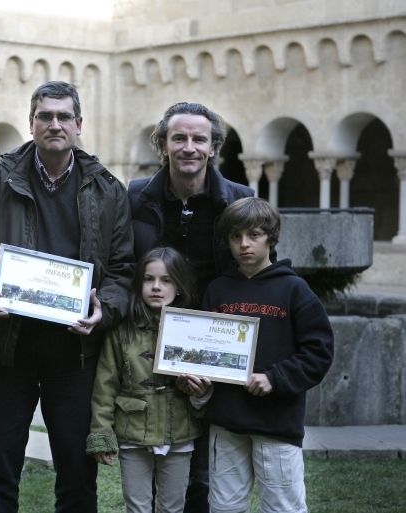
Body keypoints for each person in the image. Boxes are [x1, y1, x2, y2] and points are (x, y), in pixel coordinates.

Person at [0, 80, 134, 513]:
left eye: (63, 116)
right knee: (0, 469)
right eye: (45, 116)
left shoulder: (107, 190)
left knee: (77, 473)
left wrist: (104, 310)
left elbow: (122, 269)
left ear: (79, 124)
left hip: (75, 353)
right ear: (31, 122)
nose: (54, 124)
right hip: (9, 349)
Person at [127, 102, 254, 513]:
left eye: (199, 139)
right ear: (163, 145)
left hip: (211, 340)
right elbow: (122, 262)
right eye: (178, 138)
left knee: (202, 465)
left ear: (213, 147)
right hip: (148, 341)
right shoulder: (135, 196)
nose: (189, 147)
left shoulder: (239, 200)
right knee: (151, 457)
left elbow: (253, 270)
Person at [178, 197, 334, 513]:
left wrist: (275, 378)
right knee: (224, 507)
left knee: (282, 507)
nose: (244, 244)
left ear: (271, 238)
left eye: (254, 235)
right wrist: (198, 381)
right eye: (235, 236)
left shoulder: (294, 289)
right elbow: (204, 350)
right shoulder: (217, 290)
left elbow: (319, 352)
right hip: (226, 421)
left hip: (276, 422)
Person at [87, 247, 201, 513]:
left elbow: (206, 384)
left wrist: (200, 391)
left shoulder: (195, 330)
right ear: (139, 284)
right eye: (149, 279)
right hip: (133, 432)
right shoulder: (121, 332)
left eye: (166, 280)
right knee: (137, 507)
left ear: (179, 286)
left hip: (179, 432)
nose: (156, 287)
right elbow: (105, 385)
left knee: (172, 508)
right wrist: (101, 432)